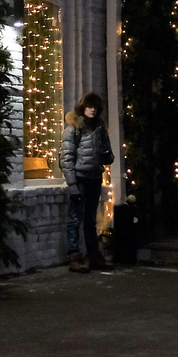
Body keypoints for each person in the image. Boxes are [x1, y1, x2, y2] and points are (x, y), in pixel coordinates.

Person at [61, 92, 114, 272]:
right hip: (80, 178)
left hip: (95, 177)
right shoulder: (74, 128)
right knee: (76, 219)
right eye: (89, 106)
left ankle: (93, 256)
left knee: (90, 219)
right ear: (82, 107)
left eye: (95, 107)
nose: (92, 110)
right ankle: (74, 257)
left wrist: (106, 155)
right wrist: (72, 184)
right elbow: (67, 158)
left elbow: (109, 156)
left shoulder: (100, 128)